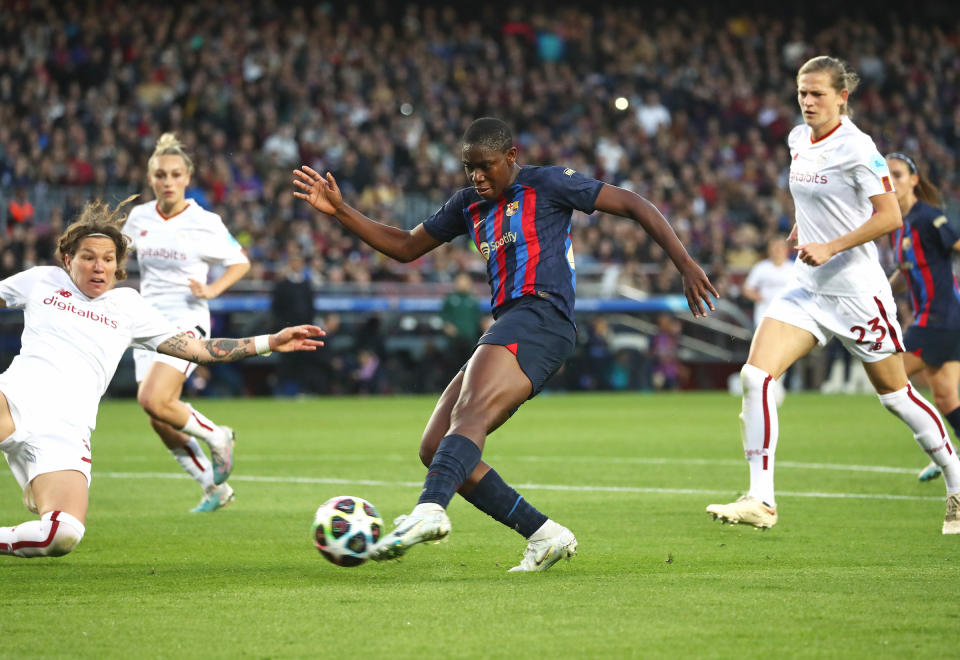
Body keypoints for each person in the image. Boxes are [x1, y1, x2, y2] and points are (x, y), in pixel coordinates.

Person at [294, 116, 718, 571]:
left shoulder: (549, 184)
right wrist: (341, 211)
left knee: (469, 413)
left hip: (543, 315)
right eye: (468, 168)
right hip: (514, 321)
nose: (476, 177)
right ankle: (544, 534)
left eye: (485, 166)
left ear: (511, 157)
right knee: (435, 446)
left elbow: (632, 203)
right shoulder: (466, 205)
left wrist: (685, 263)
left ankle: (429, 510)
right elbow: (404, 247)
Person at [705, 56, 960, 534]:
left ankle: (957, 481)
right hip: (808, 290)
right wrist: (805, 229)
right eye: (802, 92)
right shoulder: (797, 139)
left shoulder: (859, 148)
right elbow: (814, 198)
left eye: (818, 93)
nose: (808, 101)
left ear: (843, 97)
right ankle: (762, 498)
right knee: (756, 376)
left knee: (896, 396)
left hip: (857, 294)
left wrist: (831, 244)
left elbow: (890, 218)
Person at [0, 198, 324, 557]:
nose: (99, 266)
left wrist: (269, 342)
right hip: (16, 399)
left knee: (63, 535)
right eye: (88, 257)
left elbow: (199, 351)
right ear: (67, 260)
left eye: (108, 259)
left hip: (67, 433)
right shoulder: (42, 281)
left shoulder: (129, 307)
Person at [123, 133, 251, 513]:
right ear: (151, 179)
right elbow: (118, 256)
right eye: (160, 175)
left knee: (152, 398)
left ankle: (218, 436)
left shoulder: (204, 221)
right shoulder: (139, 217)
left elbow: (240, 261)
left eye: (175, 174)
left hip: (185, 320)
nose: (167, 182)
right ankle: (214, 488)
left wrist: (212, 290)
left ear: (187, 178)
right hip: (145, 323)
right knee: (159, 416)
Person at [886, 152, 960, 483]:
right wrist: (881, 296)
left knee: (890, 380)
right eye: (886, 176)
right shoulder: (895, 225)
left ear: (914, 180)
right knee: (944, 396)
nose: (892, 181)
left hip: (940, 318)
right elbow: (904, 272)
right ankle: (950, 456)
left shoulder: (929, 218)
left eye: (898, 174)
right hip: (938, 319)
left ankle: (942, 451)